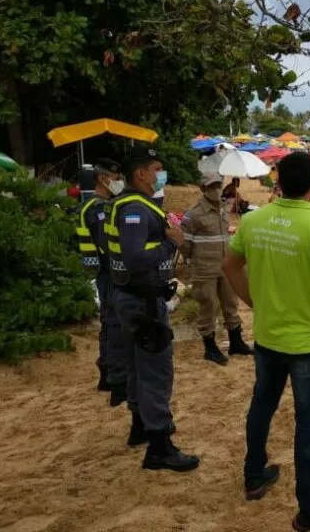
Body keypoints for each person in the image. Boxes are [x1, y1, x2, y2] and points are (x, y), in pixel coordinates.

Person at [223, 151, 310, 530]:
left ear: (277, 183)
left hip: (267, 337)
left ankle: (254, 474)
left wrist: (255, 302)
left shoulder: (254, 220)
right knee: (308, 422)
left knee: (261, 406)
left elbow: (229, 265)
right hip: (307, 345)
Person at [106, 147, 199, 472]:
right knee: (156, 371)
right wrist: (170, 243)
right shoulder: (134, 208)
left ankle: (140, 426)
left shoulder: (125, 204)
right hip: (142, 302)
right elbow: (132, 258)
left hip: (130, 297)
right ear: (140, 174)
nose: (162, 174)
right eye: (157, 168)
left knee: (136, 366)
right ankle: (159, 445)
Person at [180, 173, 253, 366]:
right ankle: (210, 347)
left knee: (231, 304)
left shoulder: (222, 209)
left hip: (224, 266)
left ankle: (236, 342)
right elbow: (184, 244)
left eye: (218, 185)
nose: (216, 189)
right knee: (208, 306)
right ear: (203, 188)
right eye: (211, 186)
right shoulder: (193, 214)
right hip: (204, 268)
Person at [75, 158, 123, 393]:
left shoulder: (98, 205)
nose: (119, 182)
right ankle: (110, 374)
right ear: (103, 179)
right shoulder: (98, 208)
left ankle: (108, 370)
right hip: (108, 271)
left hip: (106, 272)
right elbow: (106, 244)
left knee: (109, 322)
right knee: (112, 322)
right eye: (115, 179)